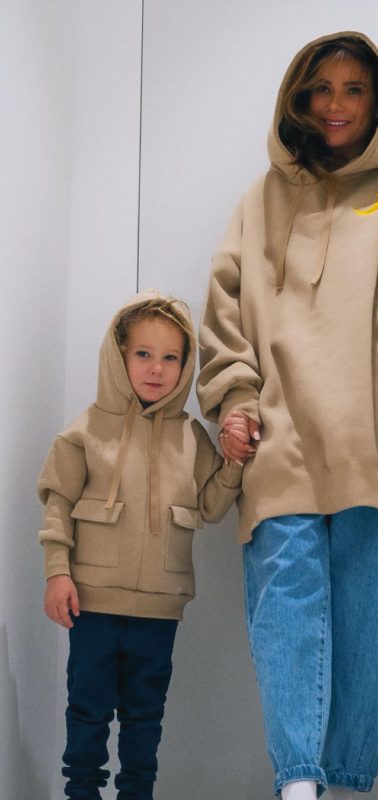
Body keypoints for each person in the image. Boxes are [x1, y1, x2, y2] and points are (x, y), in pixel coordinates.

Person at [198, 31, 378, 800]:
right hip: (279, 440)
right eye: (321, 88)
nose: (336, 105)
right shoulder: (261, 199)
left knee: (372, 623)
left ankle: (340, 784)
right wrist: (234, 399)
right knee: (286, 614)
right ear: (298, 97)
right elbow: (225, 313)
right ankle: (298, 785)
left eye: (354, 89)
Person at [37, 290, 243, 800]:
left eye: (171, 357)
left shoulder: (191, 438)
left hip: (159, 608)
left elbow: (212, 506)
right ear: (119, 356)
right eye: (144, 354)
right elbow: (58, 505)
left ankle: (137, 793)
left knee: (145, 715)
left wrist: (235, 463)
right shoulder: (84, 432)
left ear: (185, 365)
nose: (156, 369)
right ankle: (81, 791)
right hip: (92, 604)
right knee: (87, 709)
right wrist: (57, 572)